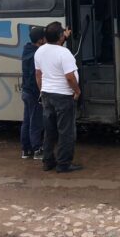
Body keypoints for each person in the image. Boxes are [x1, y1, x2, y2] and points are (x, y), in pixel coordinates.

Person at [35, 22, 83, 173]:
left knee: (50, 131)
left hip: (47, 95)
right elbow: (69, 77)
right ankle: (63, 164)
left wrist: (42, 91)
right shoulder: (64, 53)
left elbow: (38, 74)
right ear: (60, 36)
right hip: (63, 96)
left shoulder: (40, 51)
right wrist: (77, 91)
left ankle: (48, 161)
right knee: (66, 132)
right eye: (62, 33)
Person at [21, 26, 46, 159]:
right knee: (36, 122)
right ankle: (37, 149)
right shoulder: (36, 55)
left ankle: (26, 150)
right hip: (33, 93)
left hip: (25, 91)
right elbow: (36, 76)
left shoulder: (27, 49)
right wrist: (41, 93)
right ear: (41, 40)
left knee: (27, 121)